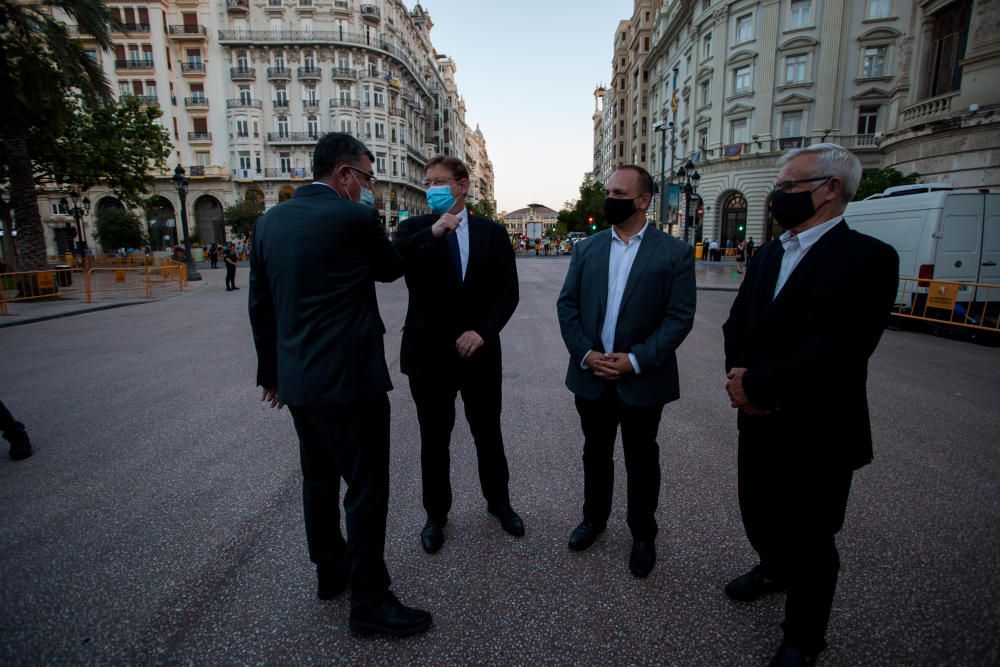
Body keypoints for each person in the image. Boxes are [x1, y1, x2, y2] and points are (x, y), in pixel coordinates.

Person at [248, 132, 431, 638]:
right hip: (351, 380)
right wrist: (427, 233)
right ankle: (370, 601)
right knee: (367, 487)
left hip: (299, 382)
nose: (369, 188)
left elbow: (260, 304)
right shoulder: (352, 217)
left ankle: (331, 572)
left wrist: (271, 374)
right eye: (367, 177)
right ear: (345, 175)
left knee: (319, 479)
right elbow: (391, 270)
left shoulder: (268, 223)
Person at [722, 143, 898, 666]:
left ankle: (803, 637)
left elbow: (842, 349)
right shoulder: (772, 251)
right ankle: (773, 567)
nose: (778, 196)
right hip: (756, 417)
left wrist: (760, 386)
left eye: (788, 186)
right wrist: (738, 381)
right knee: (758, 510)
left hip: (817, 426)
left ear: (830, 190)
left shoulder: (869, 258)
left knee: (813, 538)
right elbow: (738, 323)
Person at [557, 165, 696, 578]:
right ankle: (593, 520)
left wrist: (633, 360)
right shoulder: (587, 249)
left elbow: (678, 318)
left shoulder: (674, 253)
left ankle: (642, 534)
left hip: (642, 378)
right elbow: (567, 306)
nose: (610, 198)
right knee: (594, 453)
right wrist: (586, 354)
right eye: (608, 191)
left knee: (641, 458)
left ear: (643, 200)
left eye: (619, 192)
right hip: (591, 375)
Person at [393, 156, 523, 554]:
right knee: (434, 439)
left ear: (463, 186)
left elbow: (507, 292)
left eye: (440, 181)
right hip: (428, 356)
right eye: (428, 180)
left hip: (479, 353)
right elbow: (391, 265)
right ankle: (436, 514)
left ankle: (499, 504)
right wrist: (431, 233)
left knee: (488, 433)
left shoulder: (492, 232)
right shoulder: (413, 229)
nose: (431, 186)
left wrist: (482, 331)